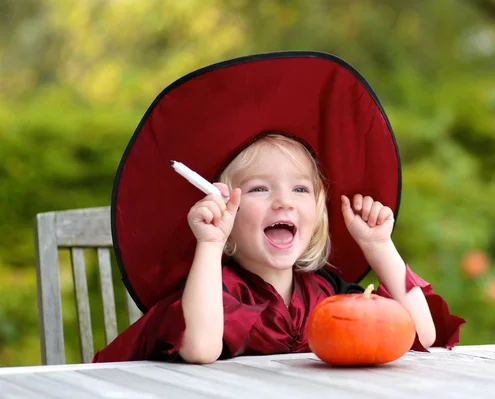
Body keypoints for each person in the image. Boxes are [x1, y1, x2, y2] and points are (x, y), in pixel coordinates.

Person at [92, 52, 464, 363]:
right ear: (227, 211)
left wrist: (379, 247)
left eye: (301, 189)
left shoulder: (325, 292)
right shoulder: (219, 290)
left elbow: (421, 334)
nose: (283, 201)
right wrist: (209, 245)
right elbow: (201, 349)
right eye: (258, 189)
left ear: (318, 207)